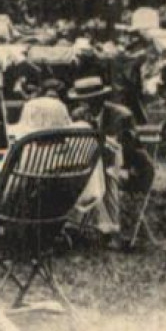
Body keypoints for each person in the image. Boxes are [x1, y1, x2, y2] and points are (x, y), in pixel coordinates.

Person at [66, 76, 152, 240]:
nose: (85, 105)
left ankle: (109, 227)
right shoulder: (79, 115)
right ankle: (75, 224)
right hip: (95, 162)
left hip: (128, 165)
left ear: (101, 98)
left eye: (90, 101)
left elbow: (126, 149)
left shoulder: (121, 115)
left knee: (106, 173)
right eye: (81, 101)